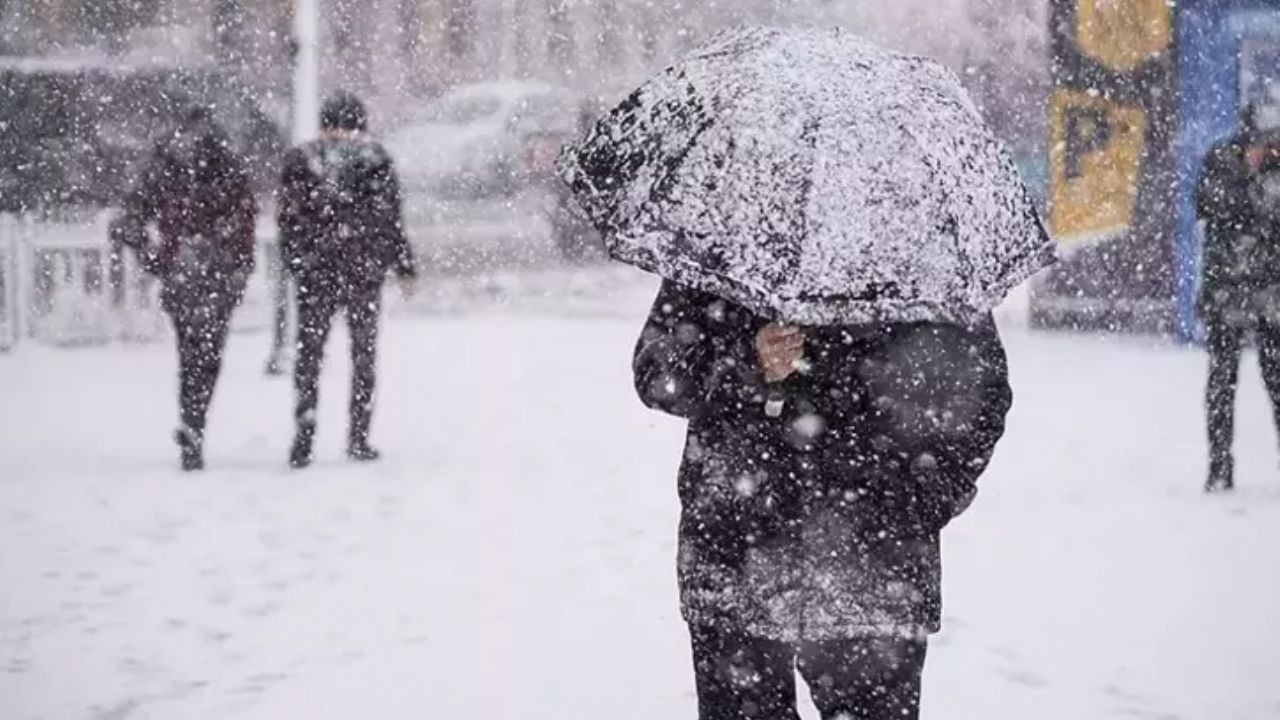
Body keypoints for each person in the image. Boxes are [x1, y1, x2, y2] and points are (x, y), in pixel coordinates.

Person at [633, 281, 1011, 720]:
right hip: (737, 555)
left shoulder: (919, 248)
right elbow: (657, 375)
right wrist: (746, 358)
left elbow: (982, 393)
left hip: (872, 567)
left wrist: (919, 501)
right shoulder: (723, 237)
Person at [109, 107, 257, 471]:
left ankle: (192, 423)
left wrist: (153, 256)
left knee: (190, 352)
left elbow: (129, 219)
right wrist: (239, 265)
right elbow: (245, 221)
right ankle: (195, 422)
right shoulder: (227, 167)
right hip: (216, 270)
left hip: (181, 269)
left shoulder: (164, 166)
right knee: (208, 354)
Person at [278, 92, 416, 469]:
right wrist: (402, 263)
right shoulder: (375, 159)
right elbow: (390, 219)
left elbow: (288, 220)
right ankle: (358, 436)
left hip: (316, 272)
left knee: (310, 354)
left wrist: (298, 262)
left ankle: (304, 432)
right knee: (364, 354)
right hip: (362, 272)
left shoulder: (301, 160)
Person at [1196, 103, 1280, 492]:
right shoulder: (1221, 161)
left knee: (1276, 380)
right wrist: (1248, 177)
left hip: (1271, 293)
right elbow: (1212, 207)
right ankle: (1219, 466)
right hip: (1226, 291)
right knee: (1222, 383)